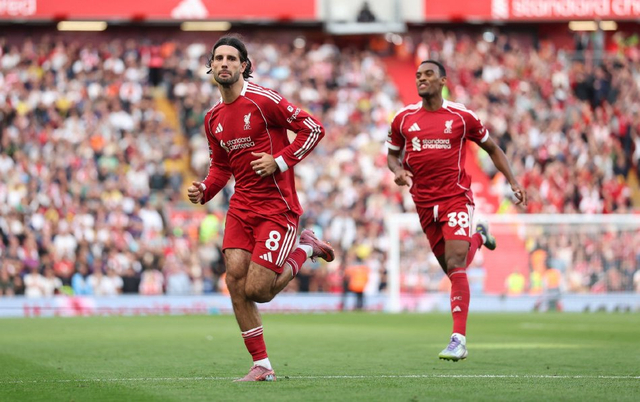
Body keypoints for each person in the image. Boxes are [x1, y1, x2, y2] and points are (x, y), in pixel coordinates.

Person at [187, 35, 335, 382]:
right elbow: (220, 167)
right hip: (241, 206)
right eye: (218, 58)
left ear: (244, 66)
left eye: (231, 58)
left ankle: (304, 248)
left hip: (276, 207)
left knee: (258, 290)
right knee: (234, 280)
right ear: (211, 67)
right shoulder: (212, 118)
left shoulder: (263, 100)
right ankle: (262, 365)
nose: (224, 63)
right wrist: (204, 189)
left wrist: (279, 162)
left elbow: (313, 129)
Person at [386, 60, 527, 361]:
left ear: (443, 81)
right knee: (452, 268)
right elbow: (392, 156)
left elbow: (493, 149)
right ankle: (480, 236)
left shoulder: (462, 117)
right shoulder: (403, 119)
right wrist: (397, 171)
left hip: (456, 197)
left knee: (456, 261)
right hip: (424, 203)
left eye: (428, 74)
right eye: (418, 75)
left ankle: (458, 340)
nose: (421, 79)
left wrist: (513, 181)